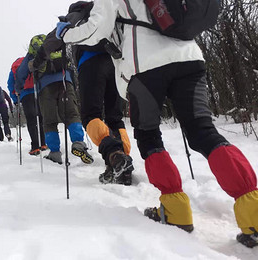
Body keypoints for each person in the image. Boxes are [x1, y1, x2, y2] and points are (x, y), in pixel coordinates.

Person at [57, 0, 258, 246]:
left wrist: (66, 34)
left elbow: (97, 29)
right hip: (190, 58)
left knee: (149, 136)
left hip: (146, 67)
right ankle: (254, 211)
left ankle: (175, 210)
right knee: (203, 131)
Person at [60, 1, 134, 185]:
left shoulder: (75, 16)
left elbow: (59, 39)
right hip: (114, 63)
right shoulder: (103, 10)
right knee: (115, 117)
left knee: (90, 116)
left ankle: (114, 155)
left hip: (90, 63)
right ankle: (121, 162)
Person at [15, 34, 93, 165]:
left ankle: (55, 153)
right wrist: (72, 84)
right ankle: (78, 142)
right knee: (72, 115)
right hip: (65, 81)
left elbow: (22, 71)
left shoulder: (34, 52)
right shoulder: (54, 46)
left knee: (49, 121)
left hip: (45, 87)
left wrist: (18, 89)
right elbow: (69, 66)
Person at [7, 57, 47, 155]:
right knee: (40, 118)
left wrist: (15, 100)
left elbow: (10, 84)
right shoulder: (32, 62)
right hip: (37, 91)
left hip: (25, 95)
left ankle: (35, 147)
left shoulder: (14, 68)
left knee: (31, 119)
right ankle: (43, 143)